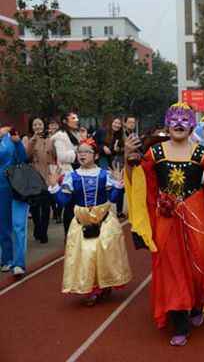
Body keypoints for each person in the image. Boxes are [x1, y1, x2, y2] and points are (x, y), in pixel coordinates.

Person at [124, 102, 204, 346]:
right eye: (174, 120)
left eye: (184, 119)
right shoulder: (155, 153)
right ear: (167, 125)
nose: (179, 124)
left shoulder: (202, 153)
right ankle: (180, 322)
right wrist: (127, 159)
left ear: (191, 125)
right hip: (166, 219)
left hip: (197, 216)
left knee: (200, 265)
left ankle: (197, 305)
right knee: (172, 268)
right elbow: (140, 183)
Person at [47, 138, 132, 306]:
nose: (82, 155)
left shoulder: (104, 175)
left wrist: (118, 182)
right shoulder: (71, 177)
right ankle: (90, 289)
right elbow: (64, 201)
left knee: (105, 256)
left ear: (95, 155)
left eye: (86, 152)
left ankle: (105, 283)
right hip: (82, 223)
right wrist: (54, 187)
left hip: (105, 222)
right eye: (80, 152)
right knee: (86, 256)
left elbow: (114, 198)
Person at [0, 124, 29, 276]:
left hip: (18, 185)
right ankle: (6, 258)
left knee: (19, 224)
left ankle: (19, 263)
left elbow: (23, 158)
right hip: (1, 187)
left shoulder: (8, 136)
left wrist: (17, 142)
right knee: (3, 225)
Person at [22, 116, 56, 244]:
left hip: (47, 175)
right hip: (34, 175)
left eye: (40, 124)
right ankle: (37, 227)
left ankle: (44, 231)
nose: (38, 127)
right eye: (35, 125)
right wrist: (33, 140)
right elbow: (26, 155)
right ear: (31, 127)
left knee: (46, 205)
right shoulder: (28, 139)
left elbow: (54, 156)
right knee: (35, 206)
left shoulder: (50, 139)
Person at [52, 111, 82, 236]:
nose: (76, 120)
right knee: (70, 207)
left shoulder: (77, 134)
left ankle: (78, 234)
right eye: (73, 118)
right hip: (68, 174)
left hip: (79, 173)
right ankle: (69, 236)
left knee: (79, 206)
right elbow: (62, 156)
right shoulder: (60, 136)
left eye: (77, 118)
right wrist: (78, 153)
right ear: (65, 120)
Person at [103, 118, 126, 218]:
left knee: (119, 185)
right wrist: (103, 147)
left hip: (116, 164)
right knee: (104, 186)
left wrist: (118, 149)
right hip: (104, 162)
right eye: (115, 122)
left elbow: (124, 149)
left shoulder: (121, 136)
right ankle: (104, 210)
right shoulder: (103, 133)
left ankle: (119, 210)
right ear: (111, 123)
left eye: (119, 124)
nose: (117, 125)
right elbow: (95, 143)